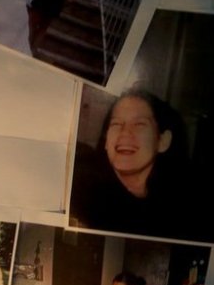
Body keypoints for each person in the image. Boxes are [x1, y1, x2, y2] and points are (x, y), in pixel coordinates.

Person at [70, 88, 192, 239]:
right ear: (106, 140)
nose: (125, 132)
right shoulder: (80, 191)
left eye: (139, 124)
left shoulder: (182, 209)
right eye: (116, 124)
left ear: (163, 141)